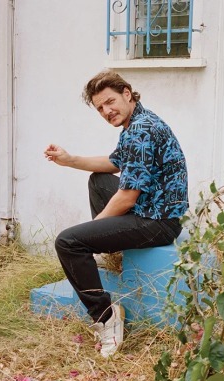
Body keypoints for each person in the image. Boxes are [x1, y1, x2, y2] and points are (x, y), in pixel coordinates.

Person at [44, 71, 188, 358]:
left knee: (69, 242)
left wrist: (92, 231)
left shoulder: (141, 130)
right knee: (99, 180)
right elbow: (114, 163)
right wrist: (69, 160)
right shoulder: (137, 122)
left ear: (127, 93)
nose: (107, 111)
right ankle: (110, 247)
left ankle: (106, 317)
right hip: (151, 208)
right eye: (100, 108)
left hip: (158, 222)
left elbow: (127, 197)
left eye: (110, 101)